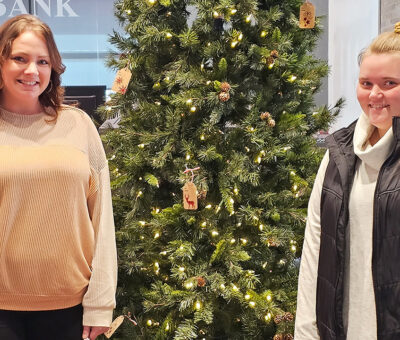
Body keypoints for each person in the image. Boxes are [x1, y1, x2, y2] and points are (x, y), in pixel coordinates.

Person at [0, 14, 117, 340]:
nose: (31, 71)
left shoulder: (78, 125)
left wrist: (101, 303)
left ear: (53, 68)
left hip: (71, 309)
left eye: (43, 61)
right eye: (19, 59)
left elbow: (102, 220)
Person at [295, 22, 400, 340]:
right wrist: (306, 330)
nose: (375, 94)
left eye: (389, 83)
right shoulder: (338, 153)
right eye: (366, 82)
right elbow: (315, 246)